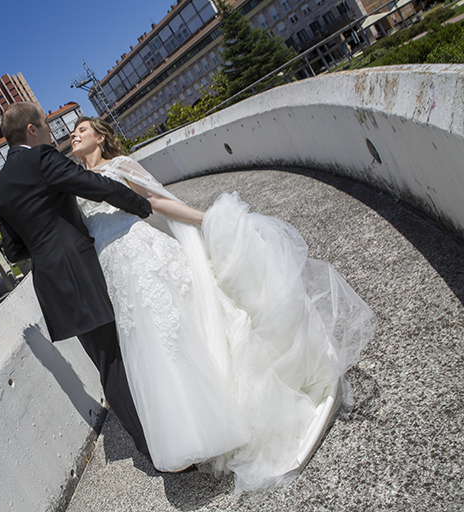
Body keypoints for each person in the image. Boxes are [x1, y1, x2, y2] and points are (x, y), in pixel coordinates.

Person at [70, 116, 375, 492]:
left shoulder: (120, 166)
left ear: (101, 137)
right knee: (155, 351)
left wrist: (206, 219)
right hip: (116, 274)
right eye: (73, 132)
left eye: (82, 130)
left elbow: (156, 201)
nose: (74, 135)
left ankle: (242, 410)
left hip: (145, 258)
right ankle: (200, 428)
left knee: (186, 328)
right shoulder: (73, 185)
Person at [0, 102, 154, 457]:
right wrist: (141, 204)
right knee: (116, 361)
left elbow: (14, 250)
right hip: (77, 272)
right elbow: (92, 184)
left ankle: (151, 440)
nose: (50, 131)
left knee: (106, 361)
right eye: (46, 124)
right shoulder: (40, 158)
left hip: (51, 284)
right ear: (31, 129)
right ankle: (156, 448)